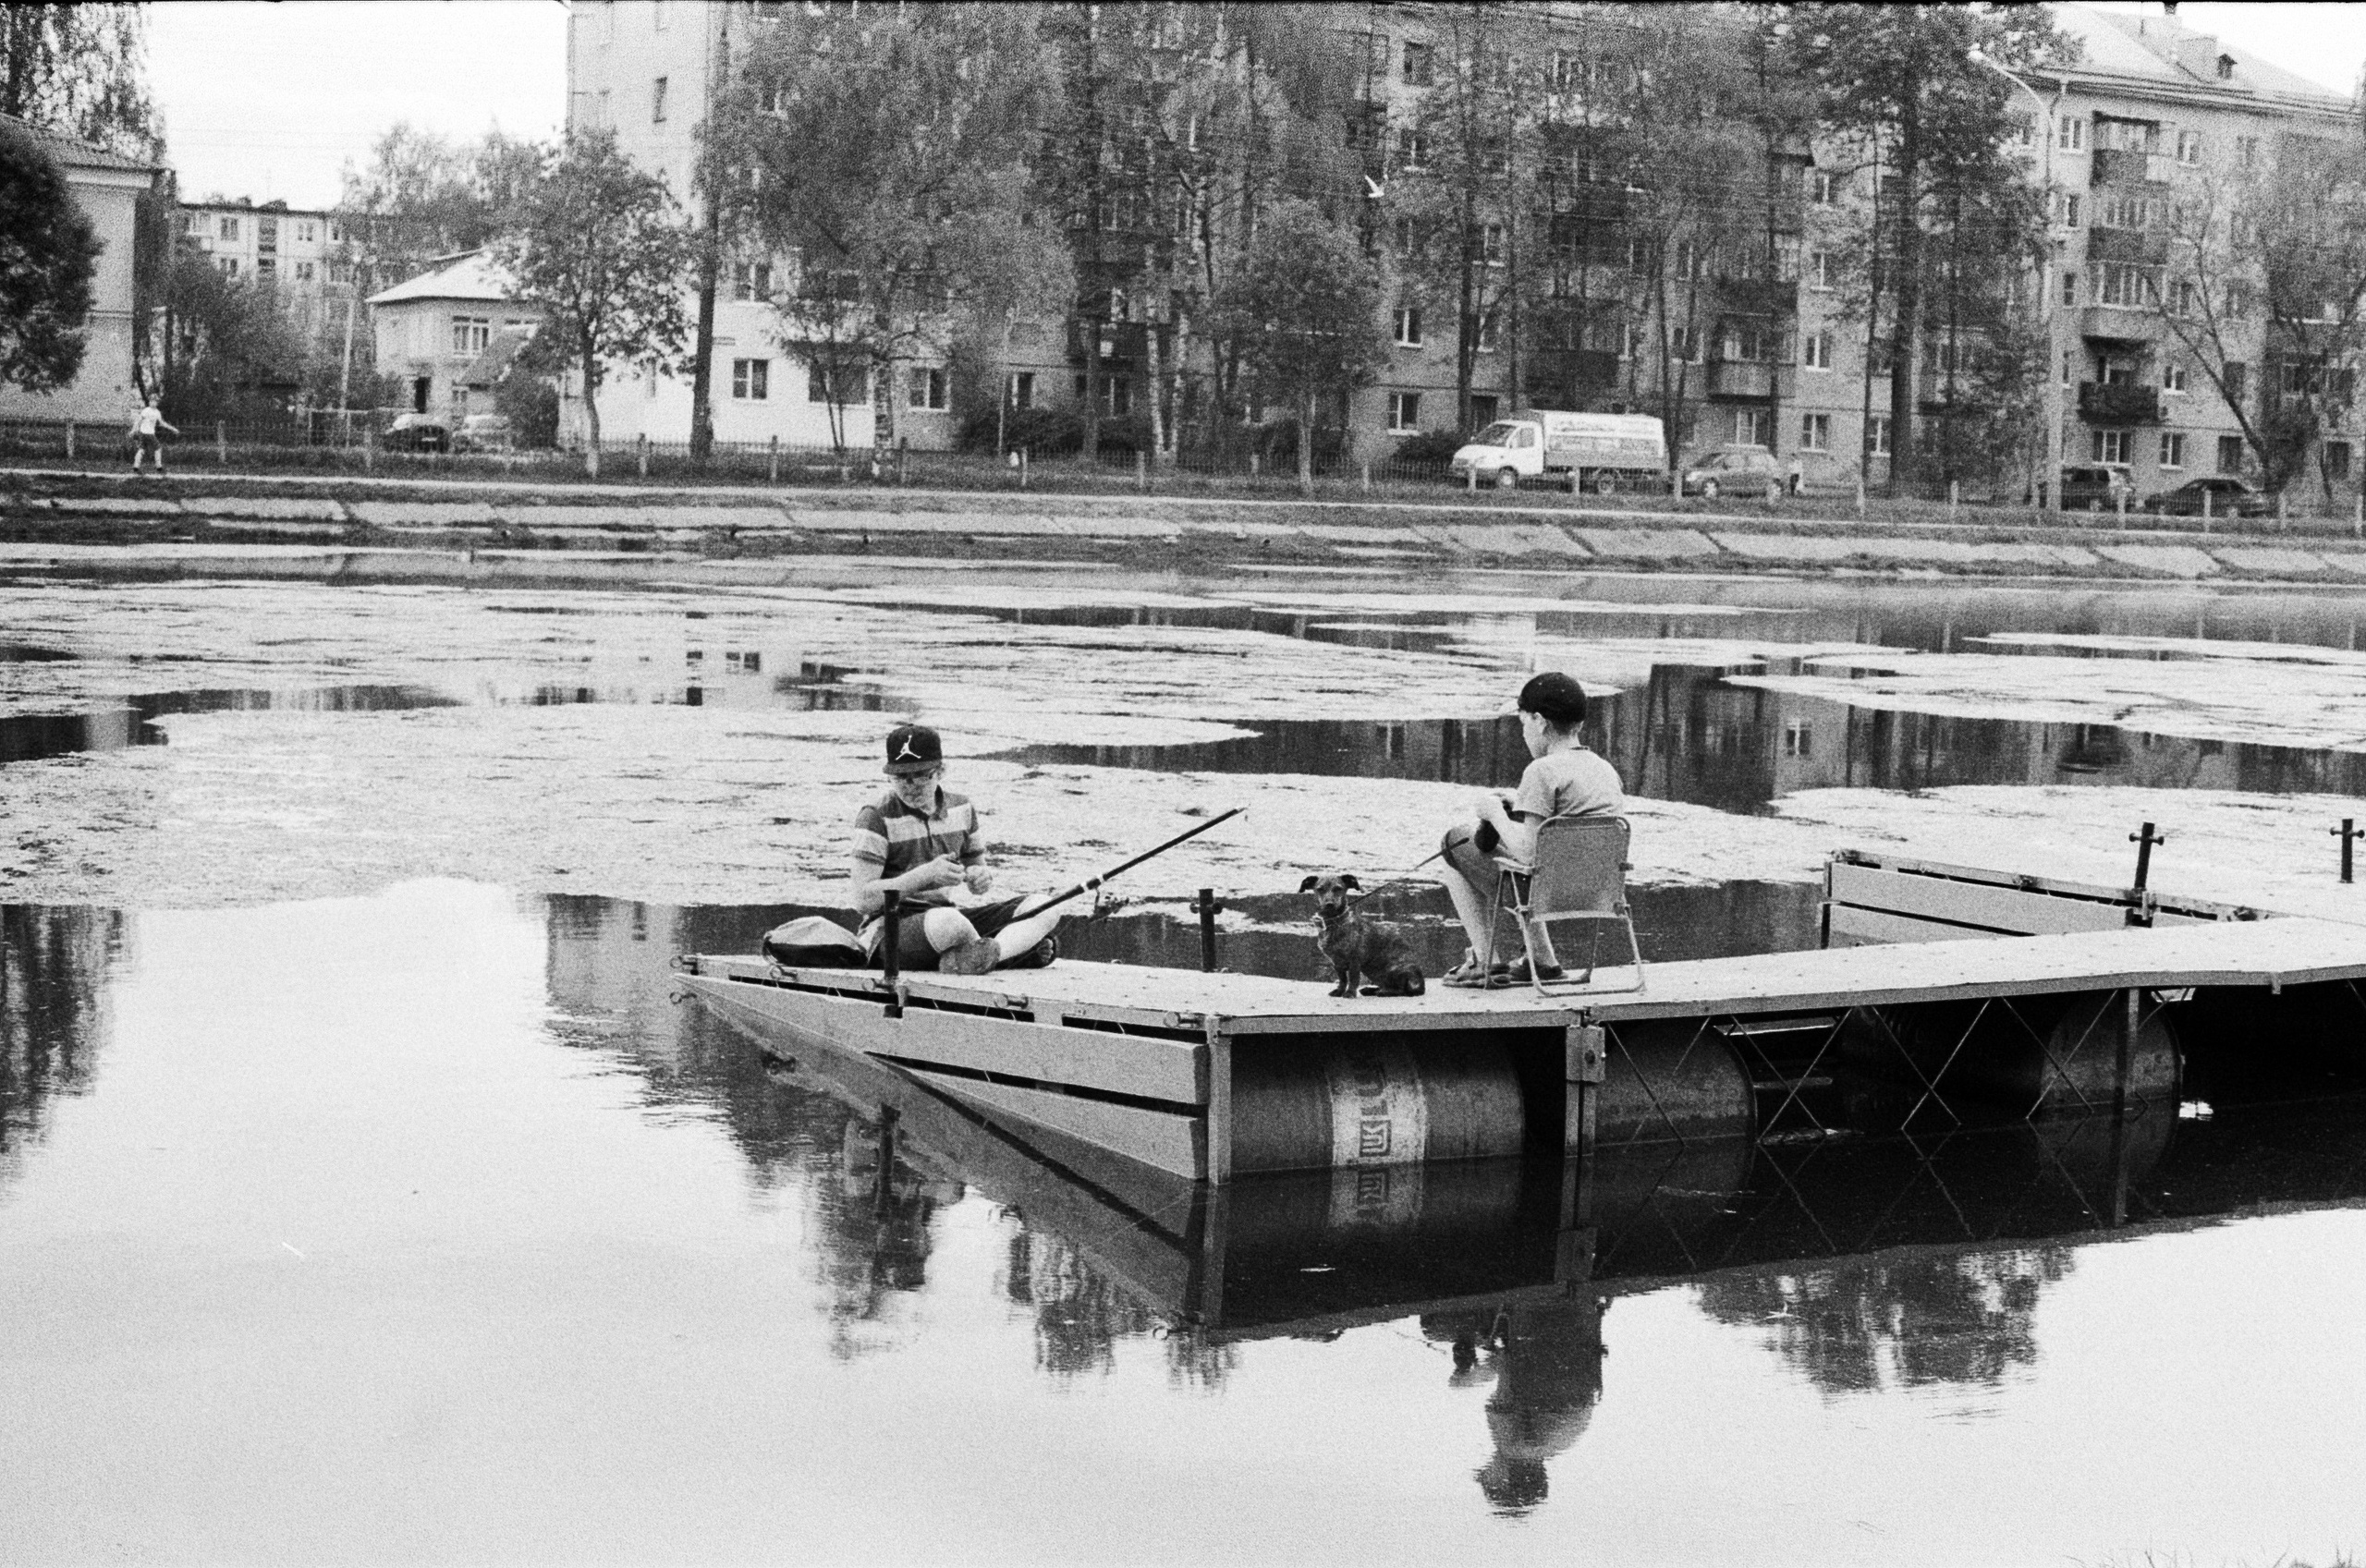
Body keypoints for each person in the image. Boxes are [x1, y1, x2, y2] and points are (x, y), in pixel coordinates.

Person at [1436, 672, 1624, 988]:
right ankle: (1543, 961)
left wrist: (1496, 814)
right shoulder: (1604, 769)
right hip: (1599, 893)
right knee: (1536, 865)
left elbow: (1528, 854)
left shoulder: (1541, 770)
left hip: (1545, 896)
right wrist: (1518, 807)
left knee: (1454, 843)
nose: (1523, 733)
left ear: (1539, 721)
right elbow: (1563, 831)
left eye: (1523, 723)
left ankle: (1487, 960)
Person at [848, 723, 1065, 976]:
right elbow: (862, 899)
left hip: (950, 918)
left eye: (920, 775)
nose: (910, 785)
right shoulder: (875, 817)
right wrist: (924, 876)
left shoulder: (962, 809)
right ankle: (1010, 954)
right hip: (891, 931)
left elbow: (977, 867)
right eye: (900, 777)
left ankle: (990, 955)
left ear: (941, 771)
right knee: (949, 923)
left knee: (1045, 905)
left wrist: (979, 878)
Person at [128, 397, 178, 474]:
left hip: (147, 433)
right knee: (158, 448)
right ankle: (159, 467)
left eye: (155, 401)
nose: (153, 403)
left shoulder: (157, 412)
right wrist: (133, 430)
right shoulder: (146, 411)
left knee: (142, 449)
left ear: (157, 403)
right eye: (151, 401)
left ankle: (136, 467)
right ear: (149, 402)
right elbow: (138, 421)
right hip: (147, 433)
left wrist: (172, 429)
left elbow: (162, 423)